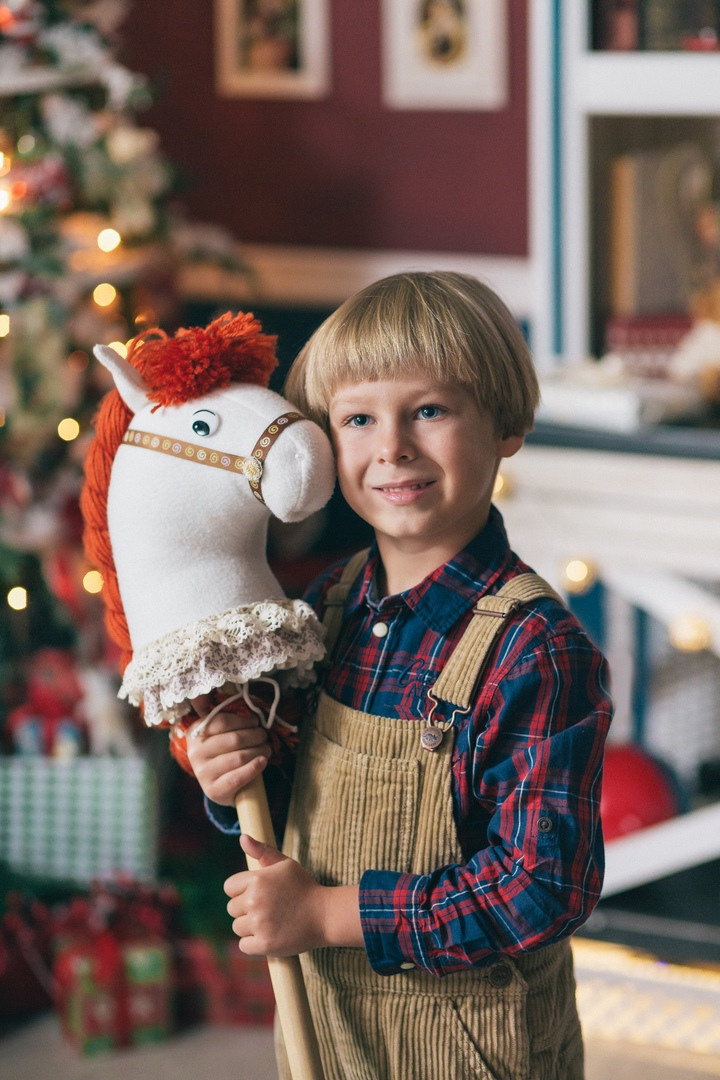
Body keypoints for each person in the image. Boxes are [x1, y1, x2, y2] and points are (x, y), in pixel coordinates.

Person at [186, 271, 613, 1080]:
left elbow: (542, 887)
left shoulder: (535, 648)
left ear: (505, 425)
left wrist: (325, 914)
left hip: (476, 1051)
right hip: (332, 1030)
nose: (392, 448)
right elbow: (289, 798)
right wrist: (228, 778)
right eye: (357, 419)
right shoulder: (328, 608)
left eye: (429, 410)